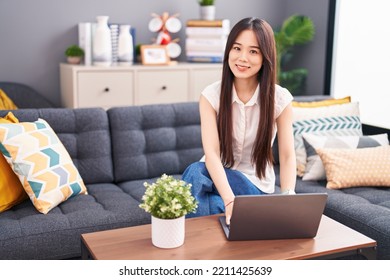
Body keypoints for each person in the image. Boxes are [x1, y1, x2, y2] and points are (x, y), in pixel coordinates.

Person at [182, 17, 297, 225]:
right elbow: (212, 155)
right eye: (237, 48)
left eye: (253, 51)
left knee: (192, 183)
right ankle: (245, 218)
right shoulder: (211, 96)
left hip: (254, 186)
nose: (242, 58)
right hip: (216, 179)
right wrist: (228, 201)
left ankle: (237, 218)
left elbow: (288, 155)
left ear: (265, 57)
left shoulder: (280, 99)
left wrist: (289, 197)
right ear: (228, 51)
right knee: (197, 176)